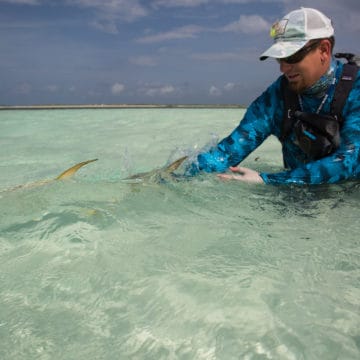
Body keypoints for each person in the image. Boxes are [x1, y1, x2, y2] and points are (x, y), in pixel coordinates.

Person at [187, 7, 360, 185]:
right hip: (296, 201)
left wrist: (268, 180)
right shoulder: (278, 96)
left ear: (324, 49)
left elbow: (351, 160)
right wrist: (180, 176)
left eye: (292, 56)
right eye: (279, 58)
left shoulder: (357, 88)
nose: (283, 68)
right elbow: (228, 152)